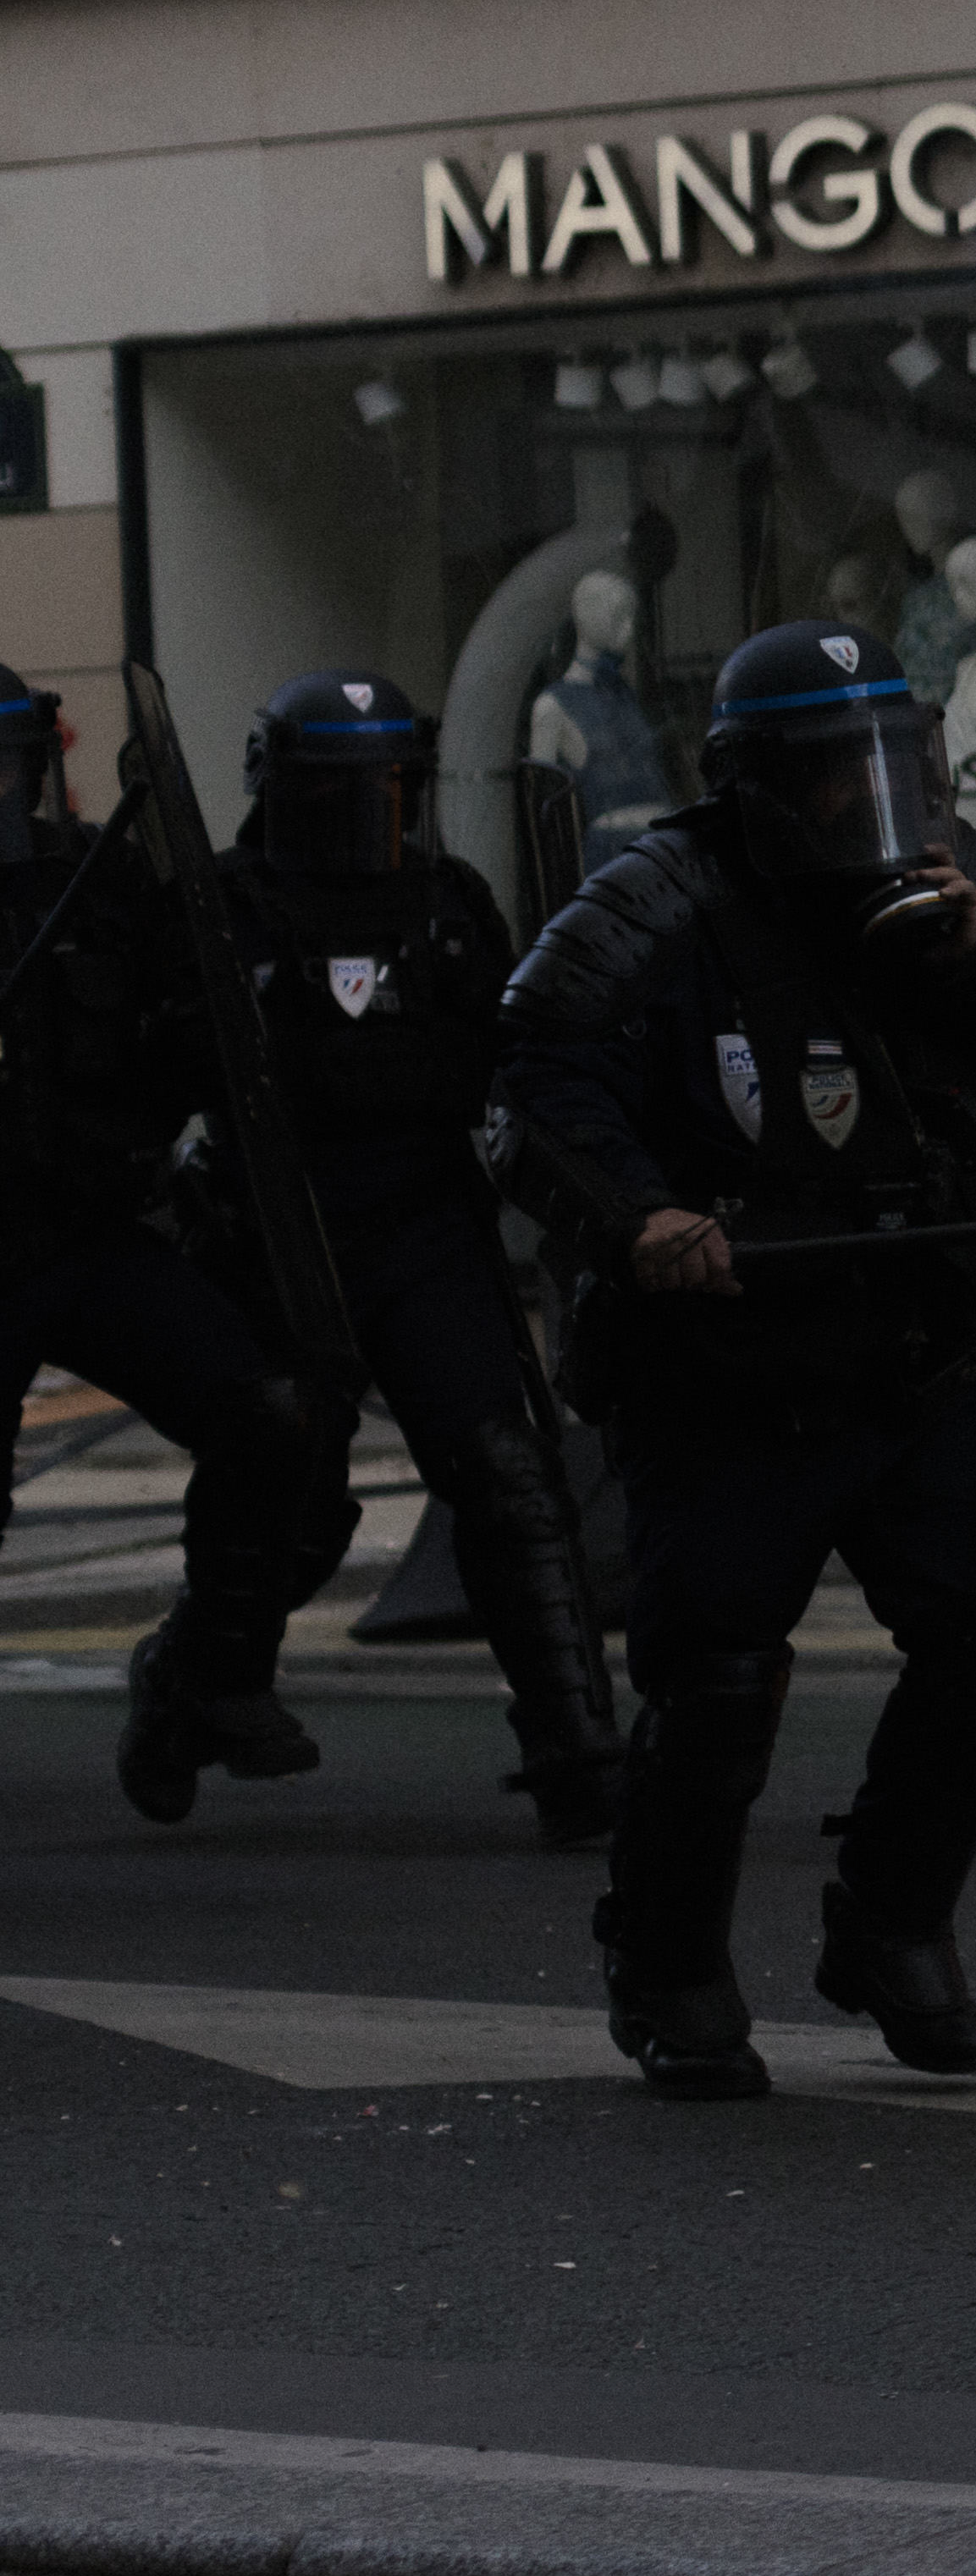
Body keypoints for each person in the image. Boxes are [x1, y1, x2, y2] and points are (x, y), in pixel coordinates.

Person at [488, 618, 976, 2100]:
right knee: (713, 1684)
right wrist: (639, 1214)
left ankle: (892, 1929)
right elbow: (532, 1077)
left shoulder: (958, 885)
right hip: (725, 1373)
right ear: (761, 784)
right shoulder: (660, 899)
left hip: (912, 1349)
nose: (875, 807)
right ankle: (671, 1970)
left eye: (894, 768)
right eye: (839, 779)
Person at [211, 675, 622, 1845]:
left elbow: (517, 1059)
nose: (371, 815)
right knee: (283, 1486)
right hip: (282, 1233)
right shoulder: (225, 909)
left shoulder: (446, 904)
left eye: (391, 789)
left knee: (510, 1476)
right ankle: (200, 1681)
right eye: (346, 792)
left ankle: (576, 1747)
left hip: (424, 1229)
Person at [0, 666, 359, 1820]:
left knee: (268, 1413)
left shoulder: (107, 883)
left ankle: (209, 1678)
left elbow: (202, 1041)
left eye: (12, 765)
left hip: (92, 1232)